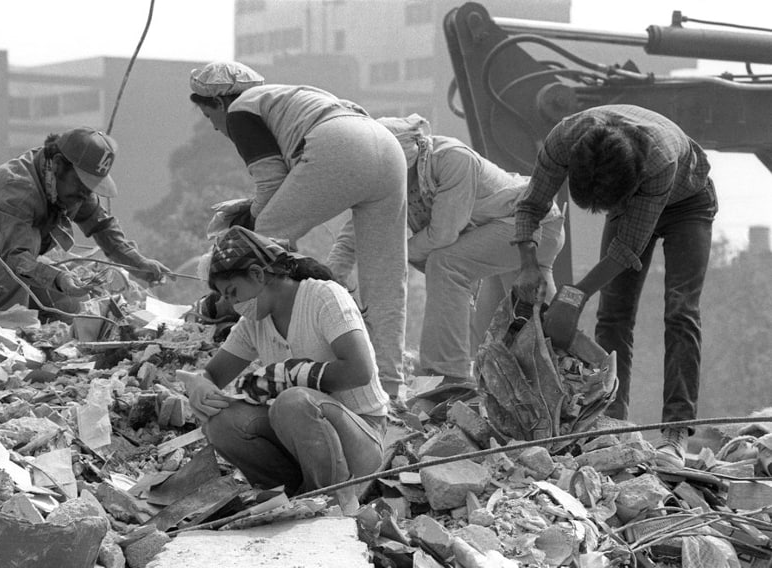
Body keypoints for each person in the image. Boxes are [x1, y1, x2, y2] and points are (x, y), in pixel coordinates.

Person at [512, 104, 717, 468]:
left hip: (688, 204)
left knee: (680, 309)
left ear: (629, 181)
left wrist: (572, 297)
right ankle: (611, 421)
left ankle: (675, 430)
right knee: (613, 314)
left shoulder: (660, 160)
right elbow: (531, 205)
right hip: (632, 207)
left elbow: (626, 251)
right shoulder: (564, 138)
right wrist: (528, 264)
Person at [188, 61, 408, 400]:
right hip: (386, 146)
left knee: (264, 239)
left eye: (209, 117)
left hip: (339, 146)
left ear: (218, 103)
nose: (217, 128)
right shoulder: (289, 95)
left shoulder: (239, 110)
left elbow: (271, 181)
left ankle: (236, 306)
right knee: (386, 280)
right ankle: (392, 389)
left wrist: (248, 221)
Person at [327, 114, 565, 384]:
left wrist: (392, 255)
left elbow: (444, 233)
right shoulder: (384, 184)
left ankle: (446, 375)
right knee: (500, 338)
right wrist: (327, 282)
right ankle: (568, 379)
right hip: (501, 239)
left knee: (446, 263)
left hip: (531, 225)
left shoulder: (451, 158)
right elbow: (352, 237)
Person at [182, 226, 388, 511]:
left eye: (233, 293)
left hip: (360, 436)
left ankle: (333, 501)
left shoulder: (324, 297)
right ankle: (290, 496)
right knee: (221, 422)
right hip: (303, 443)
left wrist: (292, 374)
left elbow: (359, 370)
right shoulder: (254, 323)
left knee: (290, 402)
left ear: (257, 274)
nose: (232, 304)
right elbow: (213, 374)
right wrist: (200, 385)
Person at [0, 127, 170, 318]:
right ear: (56, 164)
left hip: (8, 262)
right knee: (32, 243)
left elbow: (102, 226)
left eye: (91, 188)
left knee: (71, 305)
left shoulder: (67, 184)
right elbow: (17, 256)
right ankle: (2, 330)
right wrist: (59, 277)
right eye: (82, 186)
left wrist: (138, 262)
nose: (86, 196)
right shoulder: (19, 188)